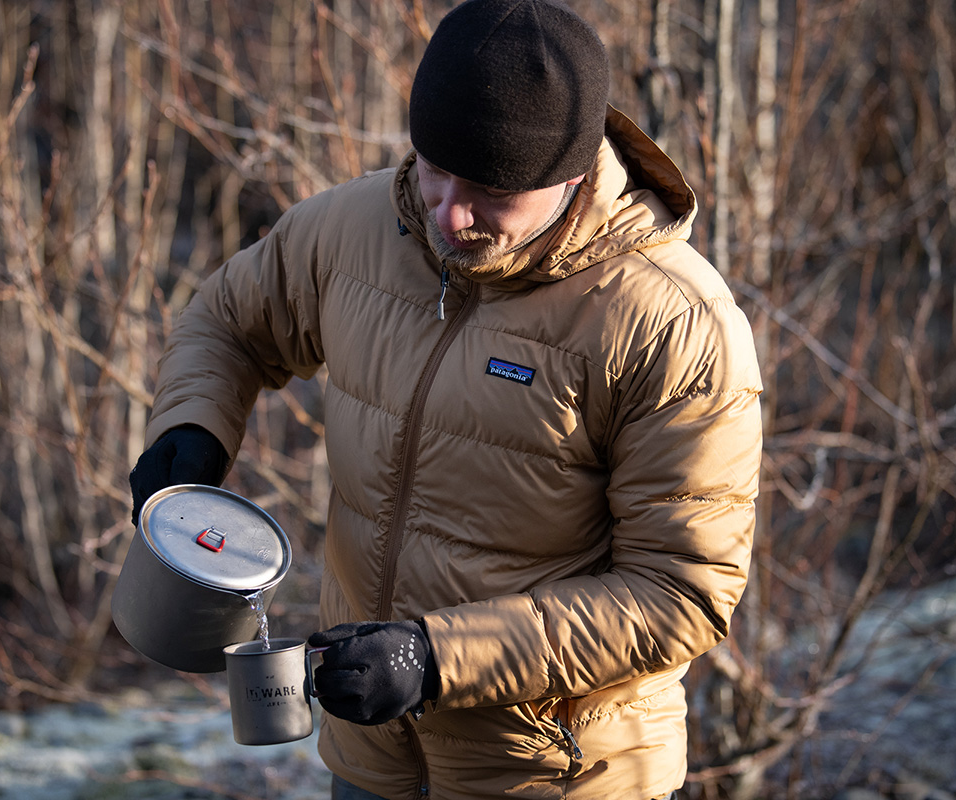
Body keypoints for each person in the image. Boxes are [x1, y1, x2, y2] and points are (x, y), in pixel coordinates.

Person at [127, 0, 763, 797]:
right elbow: (226, 320)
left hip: (560, 776)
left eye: (492, 191)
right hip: (372, 764)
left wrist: (437, 659)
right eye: (435, 168)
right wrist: (192, 424)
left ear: (570, 177)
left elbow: (681, 594)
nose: (449, 213)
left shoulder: (671, 324)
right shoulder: (357, 228)